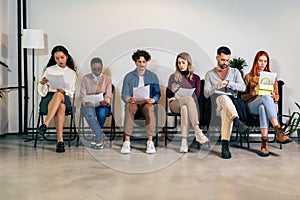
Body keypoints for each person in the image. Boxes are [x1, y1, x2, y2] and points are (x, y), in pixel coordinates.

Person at [204, 46, 251, 159]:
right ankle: (237, 121)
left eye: (227, 60)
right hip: (216, 103)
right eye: (223, 60)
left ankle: (225, 146)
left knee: (227, 112)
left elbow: (243, 87)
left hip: (232, 104)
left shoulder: (235, 72)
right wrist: (216, 86)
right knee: (223, 98)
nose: (225, 63)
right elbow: (206, 93)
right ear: (217, 58)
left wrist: (228, 83)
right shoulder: (209, 74)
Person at [241, 51, 292, 157]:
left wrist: (273, 96)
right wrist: (253, 93)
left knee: (263, 107)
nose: (262, 64)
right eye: (260, 61)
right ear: (256, 61)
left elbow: (277, 96)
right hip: (252, 105)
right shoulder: (248, 77)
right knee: (264, 99)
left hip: (270, 106)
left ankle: (264, 144)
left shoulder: (272, 78)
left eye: (265, 61)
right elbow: (242, 97)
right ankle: (278, 130)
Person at [36, 45, 77, 153]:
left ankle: (45, 124)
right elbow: (42, 91)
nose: (60, 60)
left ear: (67, 56)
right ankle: (60, 141)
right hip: (50, 98)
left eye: (62, 57)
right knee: (61, 107)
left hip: (65, 97)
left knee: (59, 95)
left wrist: (64, 91)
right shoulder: (49, 69)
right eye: (57, 58)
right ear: (54, 59)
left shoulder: (72, 73)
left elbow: (72, 92)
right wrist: (42, 83)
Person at [166, 52, 209, 153]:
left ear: (188, 63)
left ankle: (184, 141)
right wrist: (171, 89)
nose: (180, 65)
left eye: (183, 62)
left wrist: (186, 97)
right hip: (174, 103)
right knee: (188, 100)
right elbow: (168, 95)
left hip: (188, 104)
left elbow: (197, 95)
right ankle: (197, 130)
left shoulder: (196, 78)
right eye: (179, 63)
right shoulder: (173, 77)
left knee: (185, 108)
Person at [121, 49, 161, 154]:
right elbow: (124, 94)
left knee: (150, 108)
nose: (142, 64)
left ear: (147, 62)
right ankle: (127, 141)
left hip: (147, 102)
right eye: (139, 62)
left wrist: (154, 99)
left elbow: (157, 93)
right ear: (135, 62)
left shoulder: (153, 76)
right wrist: (129, 98)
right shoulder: (128, 76)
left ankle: (150, 142)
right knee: (129, 106)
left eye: (144, 62)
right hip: (134, 102)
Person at [80, 57, 112, 149]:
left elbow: (108, 94)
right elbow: (82, 95)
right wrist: (85, 102)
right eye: (94, 69)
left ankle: (96, 136)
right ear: (91, 68)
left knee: (101, 114)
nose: (97, 71)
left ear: (102, 68)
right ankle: (99, 137)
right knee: (89, 114)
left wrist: (106, 101)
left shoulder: (107, 79)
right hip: (88, 104)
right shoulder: (85, 78)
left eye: (99, 69)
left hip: (102, 104)